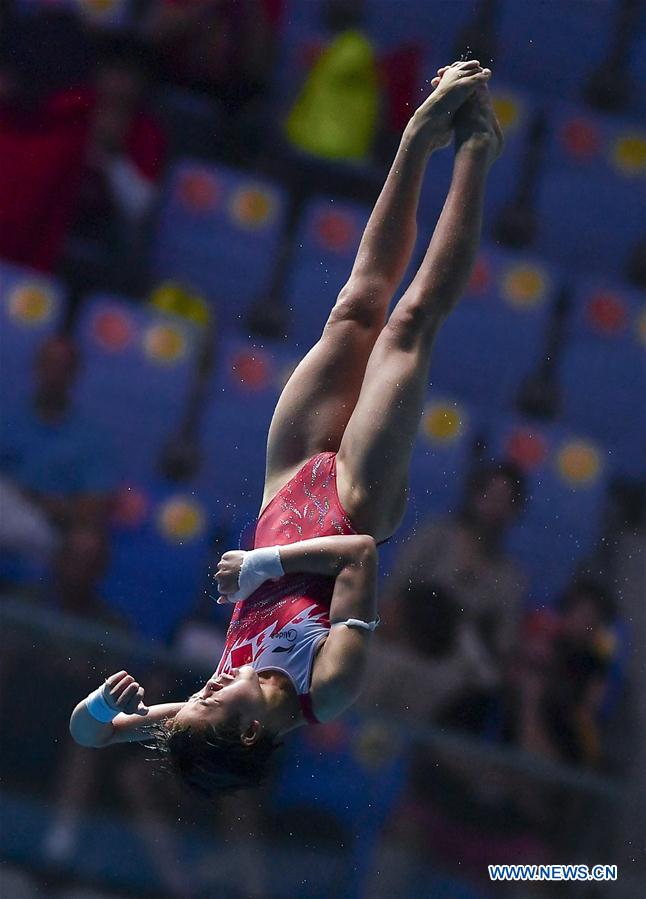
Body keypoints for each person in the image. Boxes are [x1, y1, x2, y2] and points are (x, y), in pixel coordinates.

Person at [69, 60, 503, 796]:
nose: (201, 688)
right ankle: (476, 152)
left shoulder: (221, 703)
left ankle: (419, 136)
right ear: (248, 731)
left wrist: (93, 714)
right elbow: (361, 557)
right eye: (209, 700)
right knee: (407, 325)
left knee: (353, 309)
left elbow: (93, 732)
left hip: (288, 485)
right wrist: (267, 568)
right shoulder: (324, 691)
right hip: (356, 502)